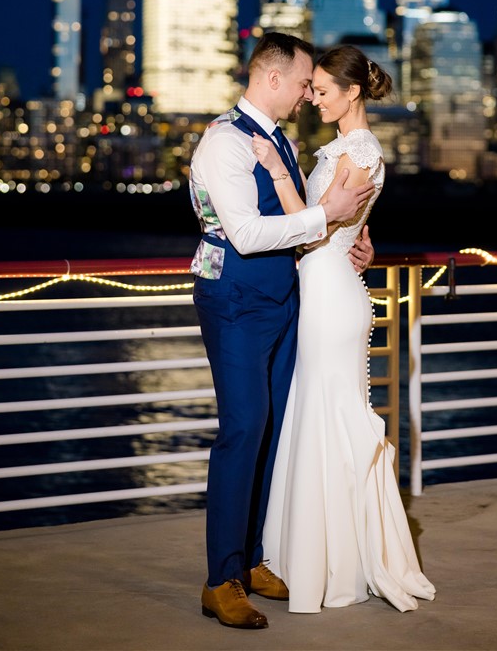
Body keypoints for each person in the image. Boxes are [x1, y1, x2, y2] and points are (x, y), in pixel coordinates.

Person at [189, 32, 376, 630]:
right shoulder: (225, 141)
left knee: (273, 427)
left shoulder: (280, 142)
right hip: (237, 300)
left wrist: (347, 237)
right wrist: (329, 217)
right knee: (243, 429)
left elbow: (298, 223)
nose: (304, 96)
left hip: (286, 299)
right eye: (301, 84)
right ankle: (221, 579)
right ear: (273, 79)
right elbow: (244, 233)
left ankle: (253, 560)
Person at [253, 44, 437, 614]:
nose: (312, 97)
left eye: (323, 90)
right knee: (316, 418)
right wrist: (356, 237)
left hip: (330, 298)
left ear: (352, 92)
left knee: (326, 421)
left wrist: (280, 172)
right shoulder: (341, 149)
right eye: (311, 89)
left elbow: (310, 232)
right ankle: (313, 556)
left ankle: (333, 564)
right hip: (327, 287)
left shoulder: (359, 150)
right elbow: (343, 225)